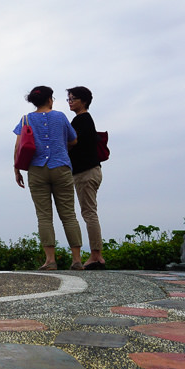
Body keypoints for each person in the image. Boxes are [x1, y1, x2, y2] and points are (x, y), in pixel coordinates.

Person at [13, 86, 84, 270]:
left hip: (36, 169)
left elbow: (19, 146)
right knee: (68, 214)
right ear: (50, 99)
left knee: (44, 217)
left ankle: (50, 260)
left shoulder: (25, 119)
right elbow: (74, 139)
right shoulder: (60, 117)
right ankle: (76, 260)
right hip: (60, 166)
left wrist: (17, 170)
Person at [66, 86, 105, 269]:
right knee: (89, 212)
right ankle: (96, 254)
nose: (70, 101)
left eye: (73, 98)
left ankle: (96, 255)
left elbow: (71, 144)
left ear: (83, 101)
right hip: (90, 171)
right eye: (69, 98)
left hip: (85, 173)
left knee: (89, 213)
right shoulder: (84, 120)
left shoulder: (81, 120)